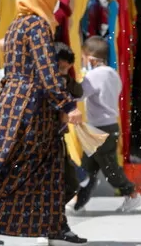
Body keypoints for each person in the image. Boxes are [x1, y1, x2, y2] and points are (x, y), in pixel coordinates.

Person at [0, 0, 85, 246]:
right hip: (30, 109)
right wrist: (67, 104)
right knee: (15, 166)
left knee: (49, 167)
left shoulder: (18, 24)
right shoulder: (38, 26)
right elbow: (46, 71)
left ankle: (54, 226)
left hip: (17, 103)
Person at [73, 36, 141, 212]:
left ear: (90, 58)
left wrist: (81, 80)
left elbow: (79, 95)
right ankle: (77, 203)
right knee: (87, 168)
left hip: (99, 128)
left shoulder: (92, 76)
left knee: (109, 168)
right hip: (109, 125)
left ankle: (132, 195)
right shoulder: (113, 73)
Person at [55, 42, 87, 207]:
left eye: (66, 68)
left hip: (58, 138)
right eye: (60, 67)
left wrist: (66, 77)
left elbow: (79, 92)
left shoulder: (65, 81)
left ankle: (52, 214)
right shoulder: (42, 83)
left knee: (72, 183)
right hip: (44, 137)